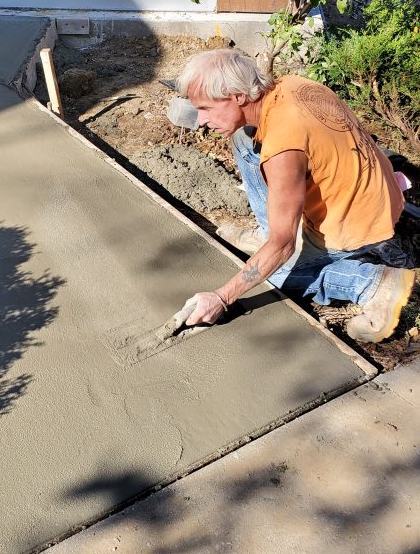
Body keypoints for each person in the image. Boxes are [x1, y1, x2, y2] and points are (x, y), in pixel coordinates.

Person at [173, 48, 416, 343]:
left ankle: (372, 283)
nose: (199, 121)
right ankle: (270, 230)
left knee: (273, 276)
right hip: (375, 189)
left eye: (206, 108)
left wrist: (222, 297)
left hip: (356, 225)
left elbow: (283, 246)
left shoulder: (283, 150)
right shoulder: (292, 86)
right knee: (243, 138)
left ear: (237, 95)